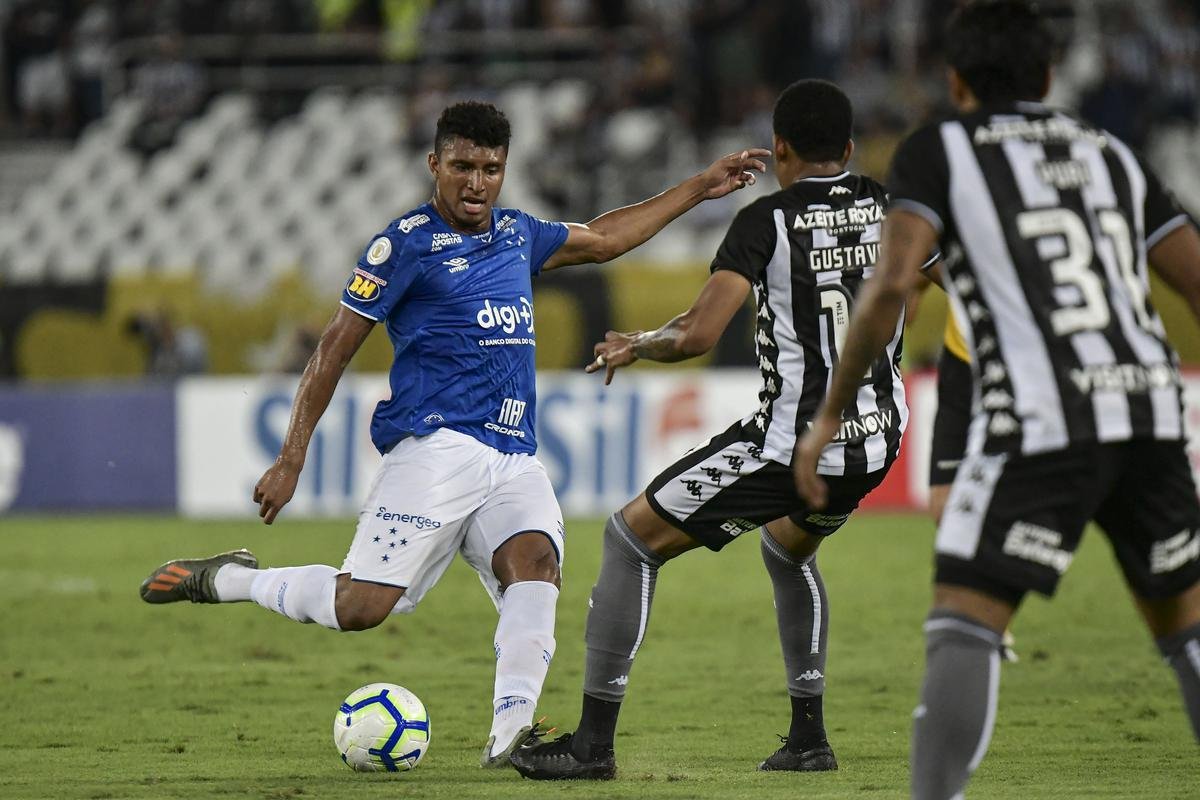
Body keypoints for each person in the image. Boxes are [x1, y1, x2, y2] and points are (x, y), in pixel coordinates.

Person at [138, 101, 768, 767]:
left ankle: (510, 733)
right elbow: (333, 349)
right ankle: (230, 580)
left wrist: (701, 185)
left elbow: (606, 238)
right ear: (434, 165)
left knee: (537, 566)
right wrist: (291, 457)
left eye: (491, 169)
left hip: (512, 455)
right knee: (362, 607)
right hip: (434, 449)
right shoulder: (403, 245)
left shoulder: (518, 234)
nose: (476, 183)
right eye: (463, 166)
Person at [792, 3, 1200, 798]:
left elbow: (889, 287)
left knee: (964, 618)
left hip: (1043, 416)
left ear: (956, 81)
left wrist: (831, 414)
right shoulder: (1109, 151)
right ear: (1049, 76)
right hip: (1151, 410)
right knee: (1182, 625)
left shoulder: (941, 150)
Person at [511, 79, 931, 780]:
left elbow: (699, 333)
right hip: (878, 439)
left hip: (793, 445)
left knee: (628, 540)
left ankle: (591, 746)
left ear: (781, 149)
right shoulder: (894, 211)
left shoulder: (764, 222)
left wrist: (637, 342)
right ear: (851, 150)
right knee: (787, 551)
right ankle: (808, 740)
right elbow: (931, 289)